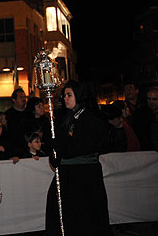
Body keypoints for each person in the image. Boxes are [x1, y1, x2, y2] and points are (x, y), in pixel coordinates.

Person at [46, 81, 110, 236]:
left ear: (80, 96)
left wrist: (59, 148)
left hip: (83, 177)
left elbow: (80, 146)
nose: (65, 98)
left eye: (69, 95)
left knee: (83, 215)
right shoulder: (68, 117)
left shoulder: (90, 119)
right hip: (69, 174)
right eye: (64, 95)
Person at [4, 88, 28, 156]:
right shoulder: (8, 114)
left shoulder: (29, 113)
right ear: (14, 100)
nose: (23, 99)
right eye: (21, 97)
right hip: (14, 148)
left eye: (24, 97)